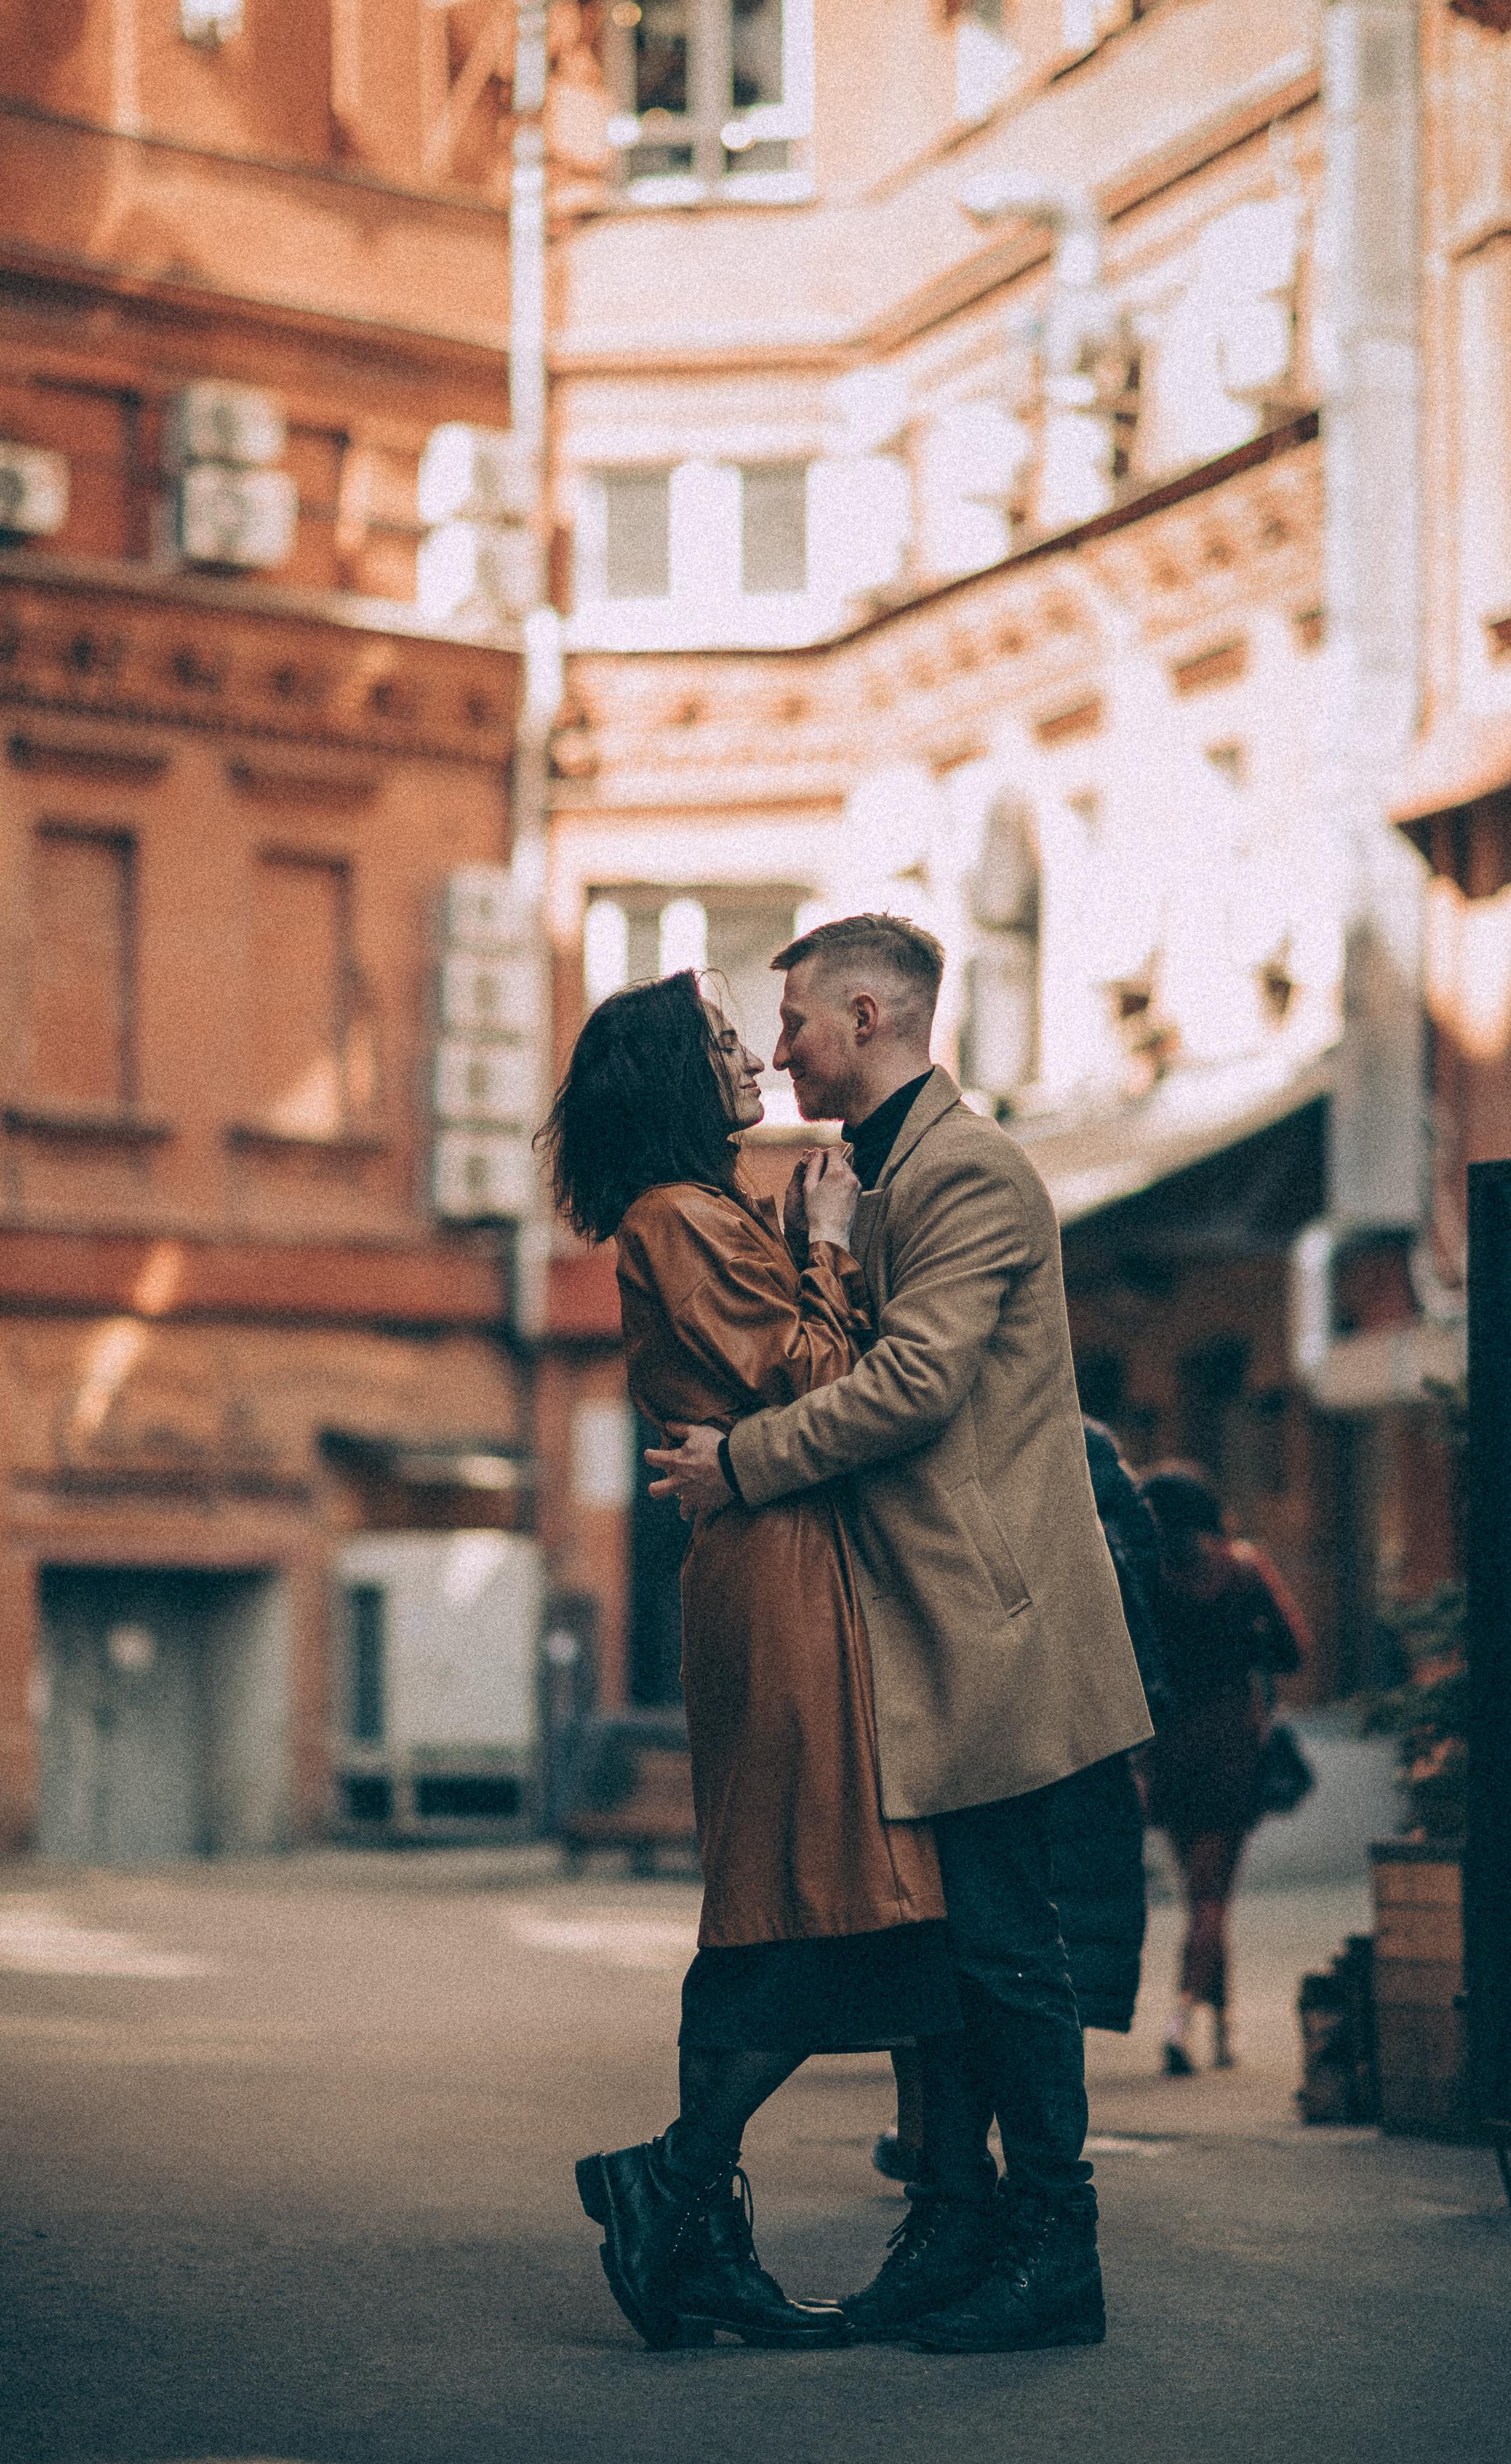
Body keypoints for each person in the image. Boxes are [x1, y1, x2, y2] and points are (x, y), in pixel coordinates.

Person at [646, 914, 1153, 2354]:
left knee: (1003, 1948)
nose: (782, 1044)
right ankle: (952, 2223)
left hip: (976, 1622)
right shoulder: (873, 1174)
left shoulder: (969, 1171)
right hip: (916, 1619)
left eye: (796, 1018)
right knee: (957, 1949)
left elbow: (916, 1385)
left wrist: (737, 1463)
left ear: (869, 1014)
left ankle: (1056, 2250)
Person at [545, 969, 963, 2352]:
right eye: (722, 1041)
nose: (749, 1057)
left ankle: (691, 2228)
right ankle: (671, 2182)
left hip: (777, 1562)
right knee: (803, 1882)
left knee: (790, 1886)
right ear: (674, 1078)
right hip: (778, 1576)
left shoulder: (701, 1214)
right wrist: (832, 1244)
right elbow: (820, 1377)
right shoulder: (682, 1217)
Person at [871, 1421, 1165, 2182]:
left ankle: (954, 2156)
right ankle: (1002, 2169)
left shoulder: (985, 1459)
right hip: (1088, 1736)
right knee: (1031, 1959)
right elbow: (1145, 1591)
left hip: (1009, 1727)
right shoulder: (1092, 1468)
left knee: (978, 1951)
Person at [1138, 1463, 1310, 2076]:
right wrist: (1245, 1645)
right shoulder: (1243, 1568)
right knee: (1211, 1896)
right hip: (1232, 1741)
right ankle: (1182, 2021)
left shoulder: (1148, 1576)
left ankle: (1223, 2029)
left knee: (1200, 1892)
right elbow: (1294, 1650)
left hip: (1170, 1745)